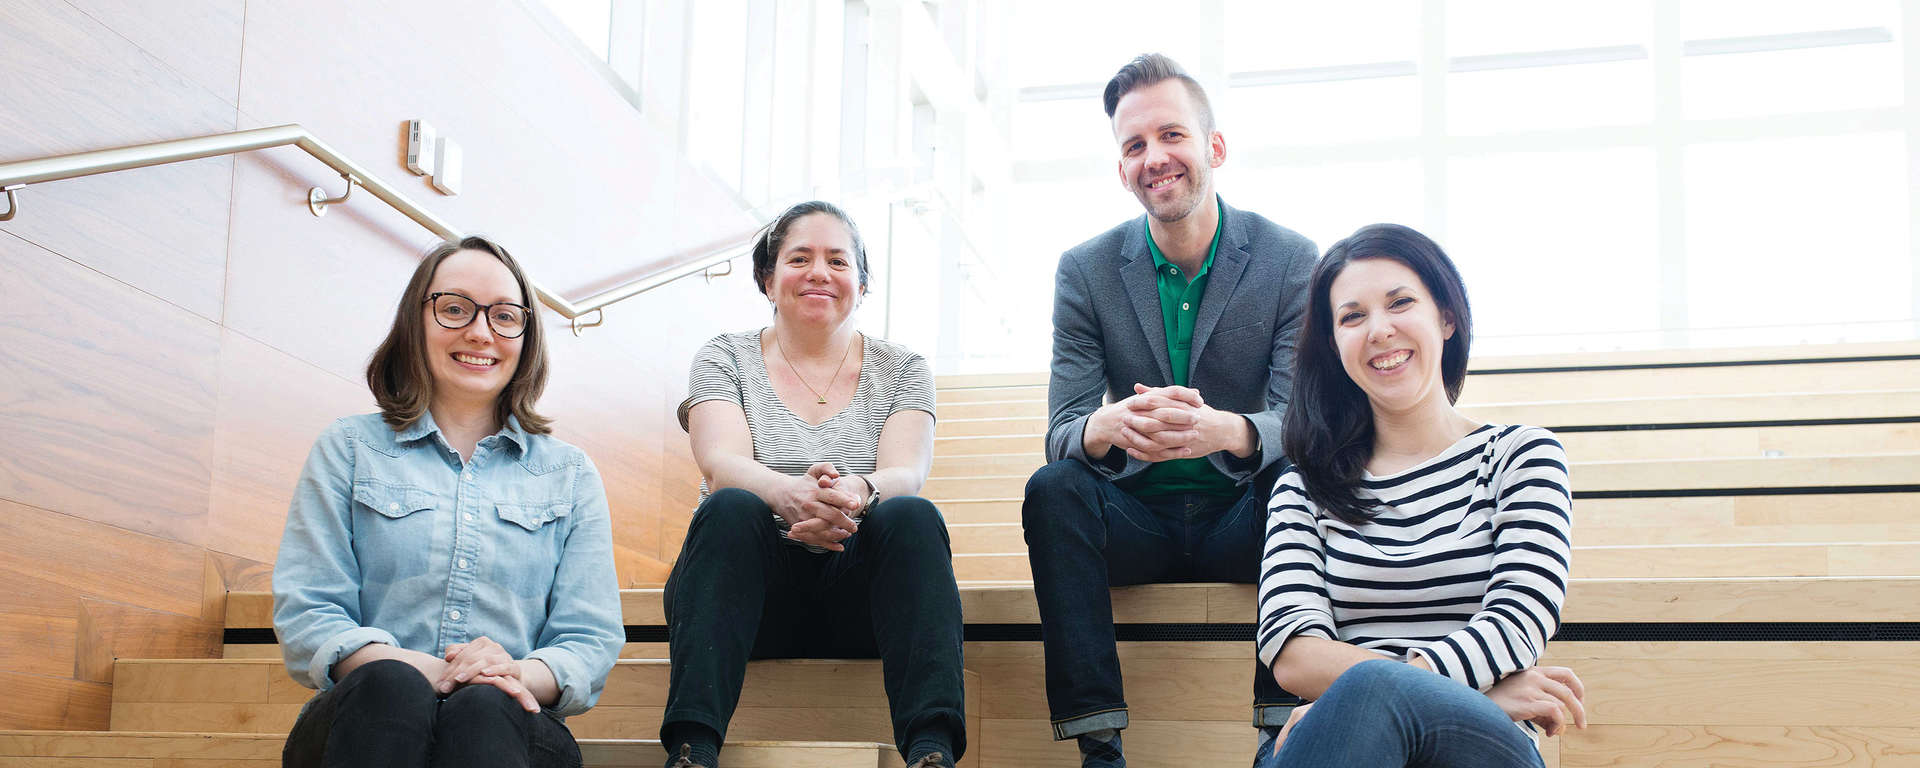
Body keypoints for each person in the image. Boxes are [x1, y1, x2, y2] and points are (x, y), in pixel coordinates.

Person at [1021, 53, 1320, 767]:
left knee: (1302, 479)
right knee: (1054, 488)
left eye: (1172, 135)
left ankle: (1276, 736)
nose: (1154, 158)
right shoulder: (1085, 270)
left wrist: (1234, 431)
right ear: (1121, 167)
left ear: (1214, 147)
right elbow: (1061, 430)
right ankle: (1098, 746)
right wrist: (1105, 426)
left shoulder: (1289, 259)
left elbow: (1303, 424)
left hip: (1241, 515)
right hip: (1133, 519)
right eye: (1134, 146)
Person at [273, 236, 625, 768]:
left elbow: (588, 637)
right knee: (390, 685)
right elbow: (311, 611)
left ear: (526, 337)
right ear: (416, 319)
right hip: (364, 720)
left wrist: (511, 673)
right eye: (455, 309)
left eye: (505, 316)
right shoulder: (349, 448)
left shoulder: (568, 474)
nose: (481, 332)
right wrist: (427, 671)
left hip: (513, 730)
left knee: (484, 705)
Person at [1254, 223, 1582, 767]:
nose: (1379, 330)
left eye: (1400, 303)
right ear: (1335, 346)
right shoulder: (1303, 486)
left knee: (1369, 693)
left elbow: (1519, 620)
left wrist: (1399, 689)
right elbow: (1292, 653)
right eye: (1352, 316)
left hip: (1479, 744)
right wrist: (1483, 692)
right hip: (1338, 739)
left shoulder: (1522, 457)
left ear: (1446, 318)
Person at [661, 201, 964, 768]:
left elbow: (906, 472)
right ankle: (691, 750)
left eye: (838, 260)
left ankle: (931, 750)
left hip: (859, 598)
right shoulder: (724, 356)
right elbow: (720, 460)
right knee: (730, 507)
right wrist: (786, 494)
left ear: (862, 283)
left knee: (912, 515)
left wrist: (856, 492)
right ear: (767, 279)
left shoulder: (903, 369)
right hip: (744, 593)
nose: (820, 272)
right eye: (799, 258)